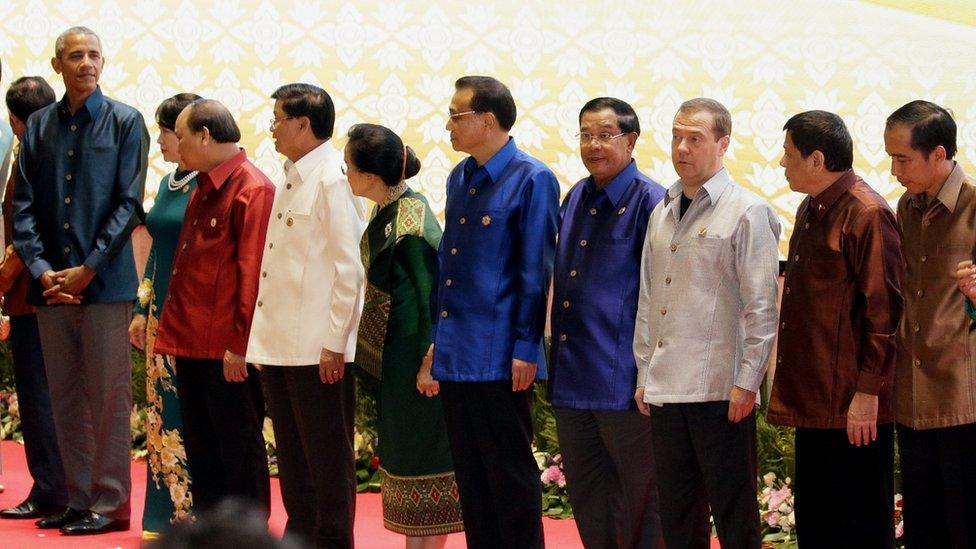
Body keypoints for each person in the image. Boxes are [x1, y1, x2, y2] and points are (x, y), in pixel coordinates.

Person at [12, 26, 149, 535]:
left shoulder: (126, 122)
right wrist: (44, 271)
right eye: (76, 55)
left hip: (105, 283)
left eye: (94, 54)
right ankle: (76, 496)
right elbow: (21, 207)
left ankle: (110, 505)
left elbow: (128, 202)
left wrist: (88, 267)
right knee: (64, 395)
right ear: (58, 66)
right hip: (50, 288)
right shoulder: (41, 126)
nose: (86, 63)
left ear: (103, 61)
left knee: (109, 397)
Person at [633, 98, 780, 549]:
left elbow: (761, 307)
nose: (681, 148)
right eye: (676, 136)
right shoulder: (662, 209)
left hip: (721, 389)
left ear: (723, 143)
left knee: (734, 515)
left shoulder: (747, 211)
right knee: (678, 515)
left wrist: (748, 382)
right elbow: (648, 297)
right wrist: (644, 374)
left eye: (694, 138)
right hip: (665, 386)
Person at [426, 75, 558, 548]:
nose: (448, 125)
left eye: (456, 115)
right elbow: (449, 267)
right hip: (457, 350)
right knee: (472, 476)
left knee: (509, 474)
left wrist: (526, 346)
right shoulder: (459, 176)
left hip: (502, 353)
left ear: (487, 119)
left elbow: (534, 271)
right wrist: (435, 344)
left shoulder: (532, 177)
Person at [768, 110, 903, 547]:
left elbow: (885, 316)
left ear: (816, 159)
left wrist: (867, 395)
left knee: (860, 524)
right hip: (817, 401)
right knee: (819, 523)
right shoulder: (813, 206)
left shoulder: (867, 213)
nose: (781, 162)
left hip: (853, 406)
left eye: (788, 155)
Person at [245, 83, 364, 548]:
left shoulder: (333, 179)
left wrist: (336, 342)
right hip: (282, 346)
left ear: (302, 124)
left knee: (327, 464)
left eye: (277, 119)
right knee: (294, 463)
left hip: (318, 349)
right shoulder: (293, 175)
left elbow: (349, 270)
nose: (272, 128)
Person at [548, 97, 665, 548]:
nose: (593, 145)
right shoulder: (576, 194)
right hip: (572, 375)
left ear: (631, 140)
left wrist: (648, 375)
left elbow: (659, 299)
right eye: (585, 135)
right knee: (587, 493)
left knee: (640, 498)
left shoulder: (652, 202)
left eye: (605, 135)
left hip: (624, 381)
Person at [153, 99, 274, 515]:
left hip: (226, 350)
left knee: (239, 455)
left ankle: (250, 540)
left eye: (181, 137)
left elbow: (251, 274)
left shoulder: (252, 188)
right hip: (191, 342)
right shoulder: (202, 185)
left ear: (205, 135)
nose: (176, 146)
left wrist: (240, 346)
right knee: (204, 456)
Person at [346, 123, 464, 548]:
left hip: (418, 364)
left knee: (424, 458)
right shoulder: (387, 210)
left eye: (349, 166)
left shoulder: (412, 221)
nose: (346, 173)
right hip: (395, 360)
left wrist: (430, 362)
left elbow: (431, 294)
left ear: (370, 176)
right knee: (403, 457)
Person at [887, 100, 976, 548]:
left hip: (963, 396)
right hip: (912, 394)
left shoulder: (974, 206)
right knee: (923, 524)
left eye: (902, 159)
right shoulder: (906, 207)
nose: (894, 171)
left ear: (938, 154)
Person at [127, 92, 202, 537]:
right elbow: (156, 250)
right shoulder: (167, 183)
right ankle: (162, 516)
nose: (161, 141)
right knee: (159, 414)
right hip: (159, 315)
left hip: (191, 317)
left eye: (167, 132)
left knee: (189, 416)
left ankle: (193, 519)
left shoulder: (208, 184)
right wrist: (140, 307)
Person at [0, 74, 67, 521]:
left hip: (31, 295)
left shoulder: (35, 158)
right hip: (48, 295)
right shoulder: (57, 150)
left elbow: (28, 239)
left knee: (41, 398)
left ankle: (50, 490)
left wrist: (2, 281)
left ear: (16, 120)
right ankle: (55, 487)